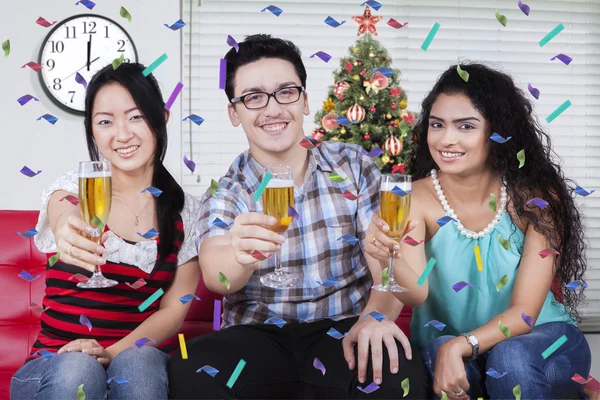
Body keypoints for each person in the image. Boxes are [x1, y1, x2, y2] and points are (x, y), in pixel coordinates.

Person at [168, 34, 427, 399]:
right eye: (254, 97)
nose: (273, 109)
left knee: (400, 371)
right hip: (255, 339)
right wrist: (240, 256)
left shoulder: (353, 166)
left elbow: (383, 264)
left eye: (286, 92)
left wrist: (376, 315)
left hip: (343, 333)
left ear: (304, 101)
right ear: (234, 112)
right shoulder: (228, 190)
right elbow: (217, 276)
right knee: (190, 368)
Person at [365, 63, 592, 399]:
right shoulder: (413, 199)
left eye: (466, 126)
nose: (446, 139)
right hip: (456, 347)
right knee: (441, 347)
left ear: (497, 133)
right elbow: (416, 294)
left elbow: (525, 314)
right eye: (437, 124)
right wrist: (387, 255)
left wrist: (462, 344)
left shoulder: (536, 199)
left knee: (509, 357)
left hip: (546, 339)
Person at [10, 63, 201, 400]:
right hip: (51, 364)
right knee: (79, 370)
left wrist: (109, 353)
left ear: (162, 118)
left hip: (133, 354)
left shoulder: (187, 211)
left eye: (136, 116)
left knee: (140, 364)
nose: (122, 134)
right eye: (105, 122)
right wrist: (68, 230)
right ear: (93, 131)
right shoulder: (76, 189)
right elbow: (63, 212)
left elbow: (173, 309)